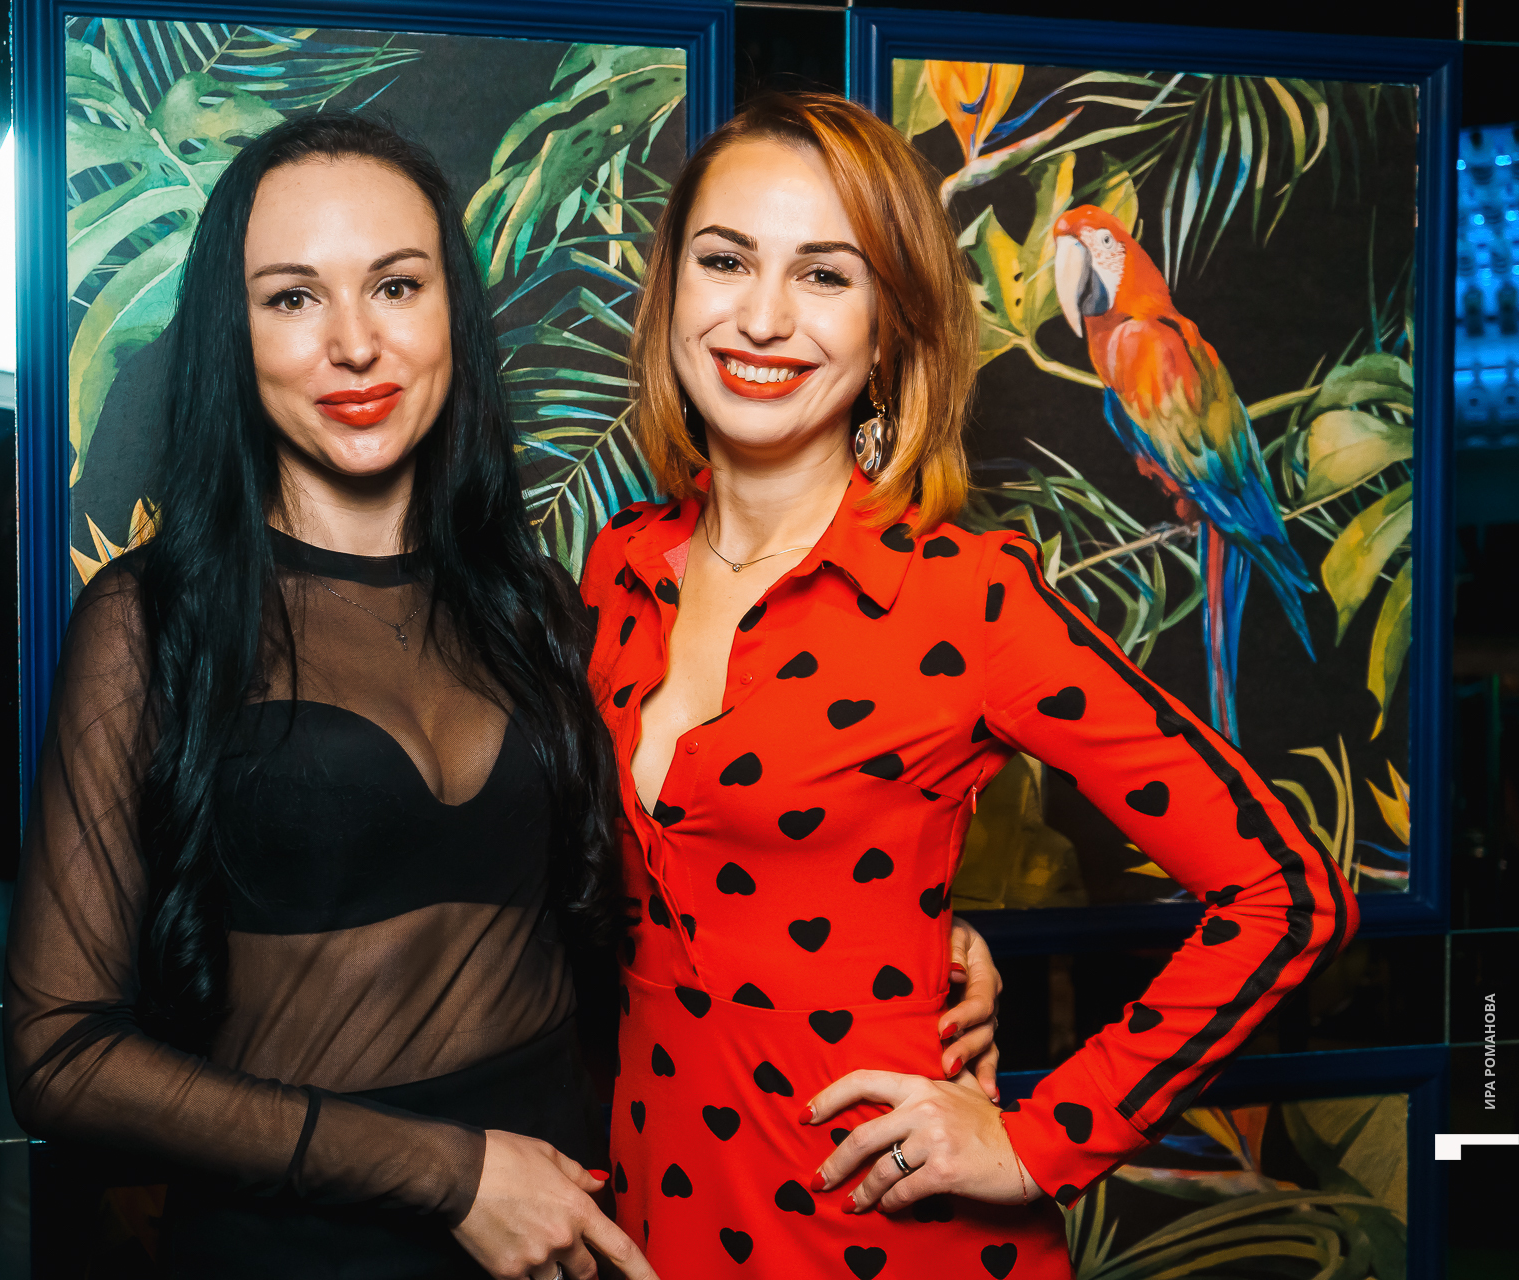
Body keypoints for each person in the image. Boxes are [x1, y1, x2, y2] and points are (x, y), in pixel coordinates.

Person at [581, 92, 1359, 1276]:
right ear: (671, 292)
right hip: (658, 1224)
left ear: (890, 328)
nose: (763, 314)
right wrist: (917, 931)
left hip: (883, 1240)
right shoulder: (616, 567)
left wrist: (1042, 1139)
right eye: (726, 260)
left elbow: (1286, 892)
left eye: (825, 274)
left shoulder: (962, 597)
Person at [4, 113, 652, 1280]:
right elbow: (59, 1053)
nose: (356, 343)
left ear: (451, 311)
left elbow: (664, 887)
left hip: (567, 1224)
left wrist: (918, 933)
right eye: (294, 297)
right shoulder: (153, 621)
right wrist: (451, 1171)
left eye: (396, 285)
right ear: (234, 334)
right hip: (295, 1246)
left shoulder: (539, 607)